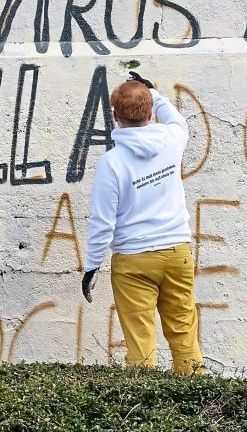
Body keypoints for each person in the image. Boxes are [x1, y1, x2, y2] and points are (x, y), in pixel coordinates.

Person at [81, 71, 204, 374]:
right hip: (177, 254)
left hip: (134, 262)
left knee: (140, 344)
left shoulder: (112, 163)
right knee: (184, 333)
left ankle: (145, 410)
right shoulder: (172, 141)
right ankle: (197, 404)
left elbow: (102, 221)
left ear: (114, 116)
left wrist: (92, 265)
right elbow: (177, 120)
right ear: (150, 112)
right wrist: (154, 93)